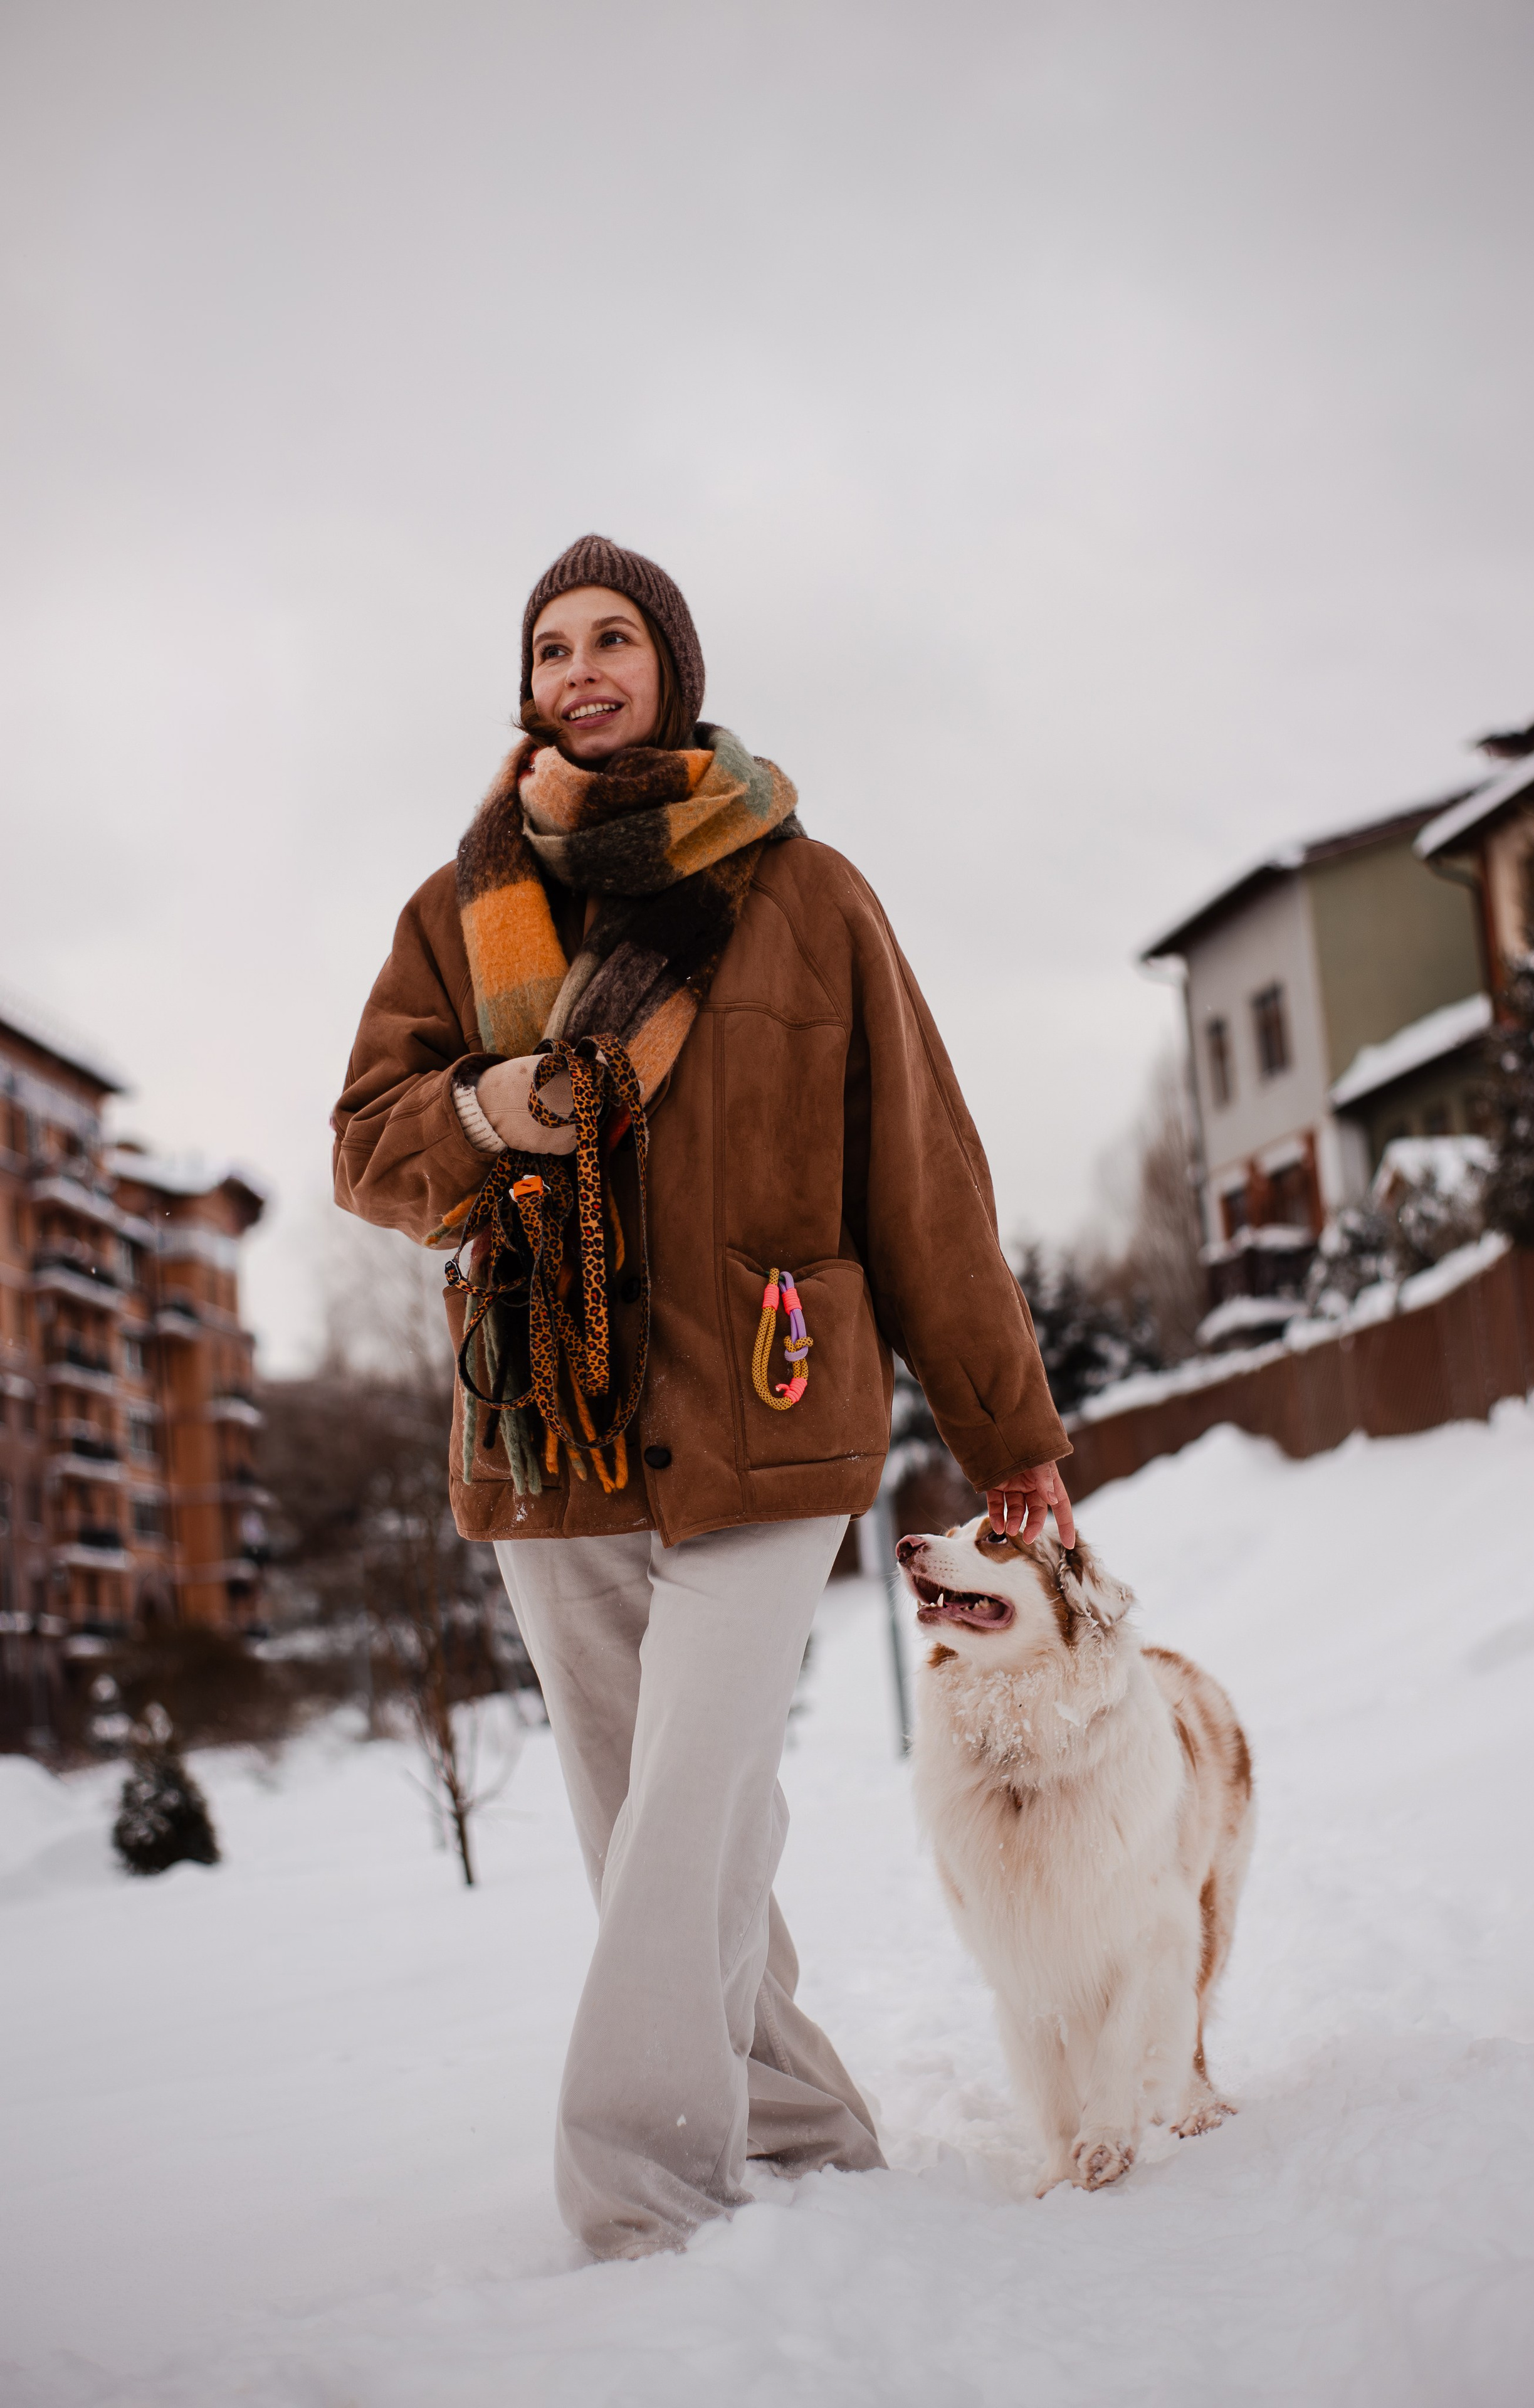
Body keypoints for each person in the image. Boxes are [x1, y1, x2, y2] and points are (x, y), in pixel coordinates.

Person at [332, 533, 1076, 2260]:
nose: (581, 669)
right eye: (551, 646)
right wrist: (486, 1114)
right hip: (547, 1433)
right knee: (653, 1811)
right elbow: (368, 1142)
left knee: (688, 1795)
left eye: (614, 638)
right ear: (527, 687)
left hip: (774, 1406)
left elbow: (924, 1185)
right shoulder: (457, 912)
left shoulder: (808, 894)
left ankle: (642, 2185)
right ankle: (804, 2121)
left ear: (674, 665)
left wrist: (1011, 1437)